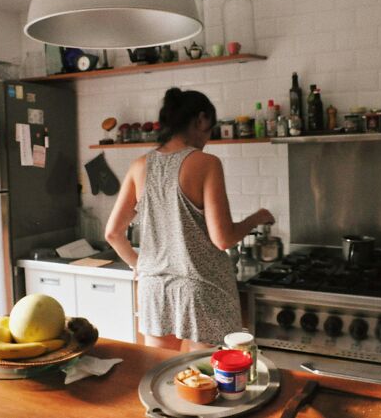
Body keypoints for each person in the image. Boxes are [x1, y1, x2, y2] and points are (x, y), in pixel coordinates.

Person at [105, 87, 274, 352]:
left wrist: (142, 265)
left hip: (155, 290)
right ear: (202, 120)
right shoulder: (206, 163)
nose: (207, 138)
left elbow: (113, 233)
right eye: (210, 129)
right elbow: (223, 238)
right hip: (201, 288)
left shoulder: (139, 165)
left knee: (160, 376)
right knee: (205, 380)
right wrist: (257, 218)